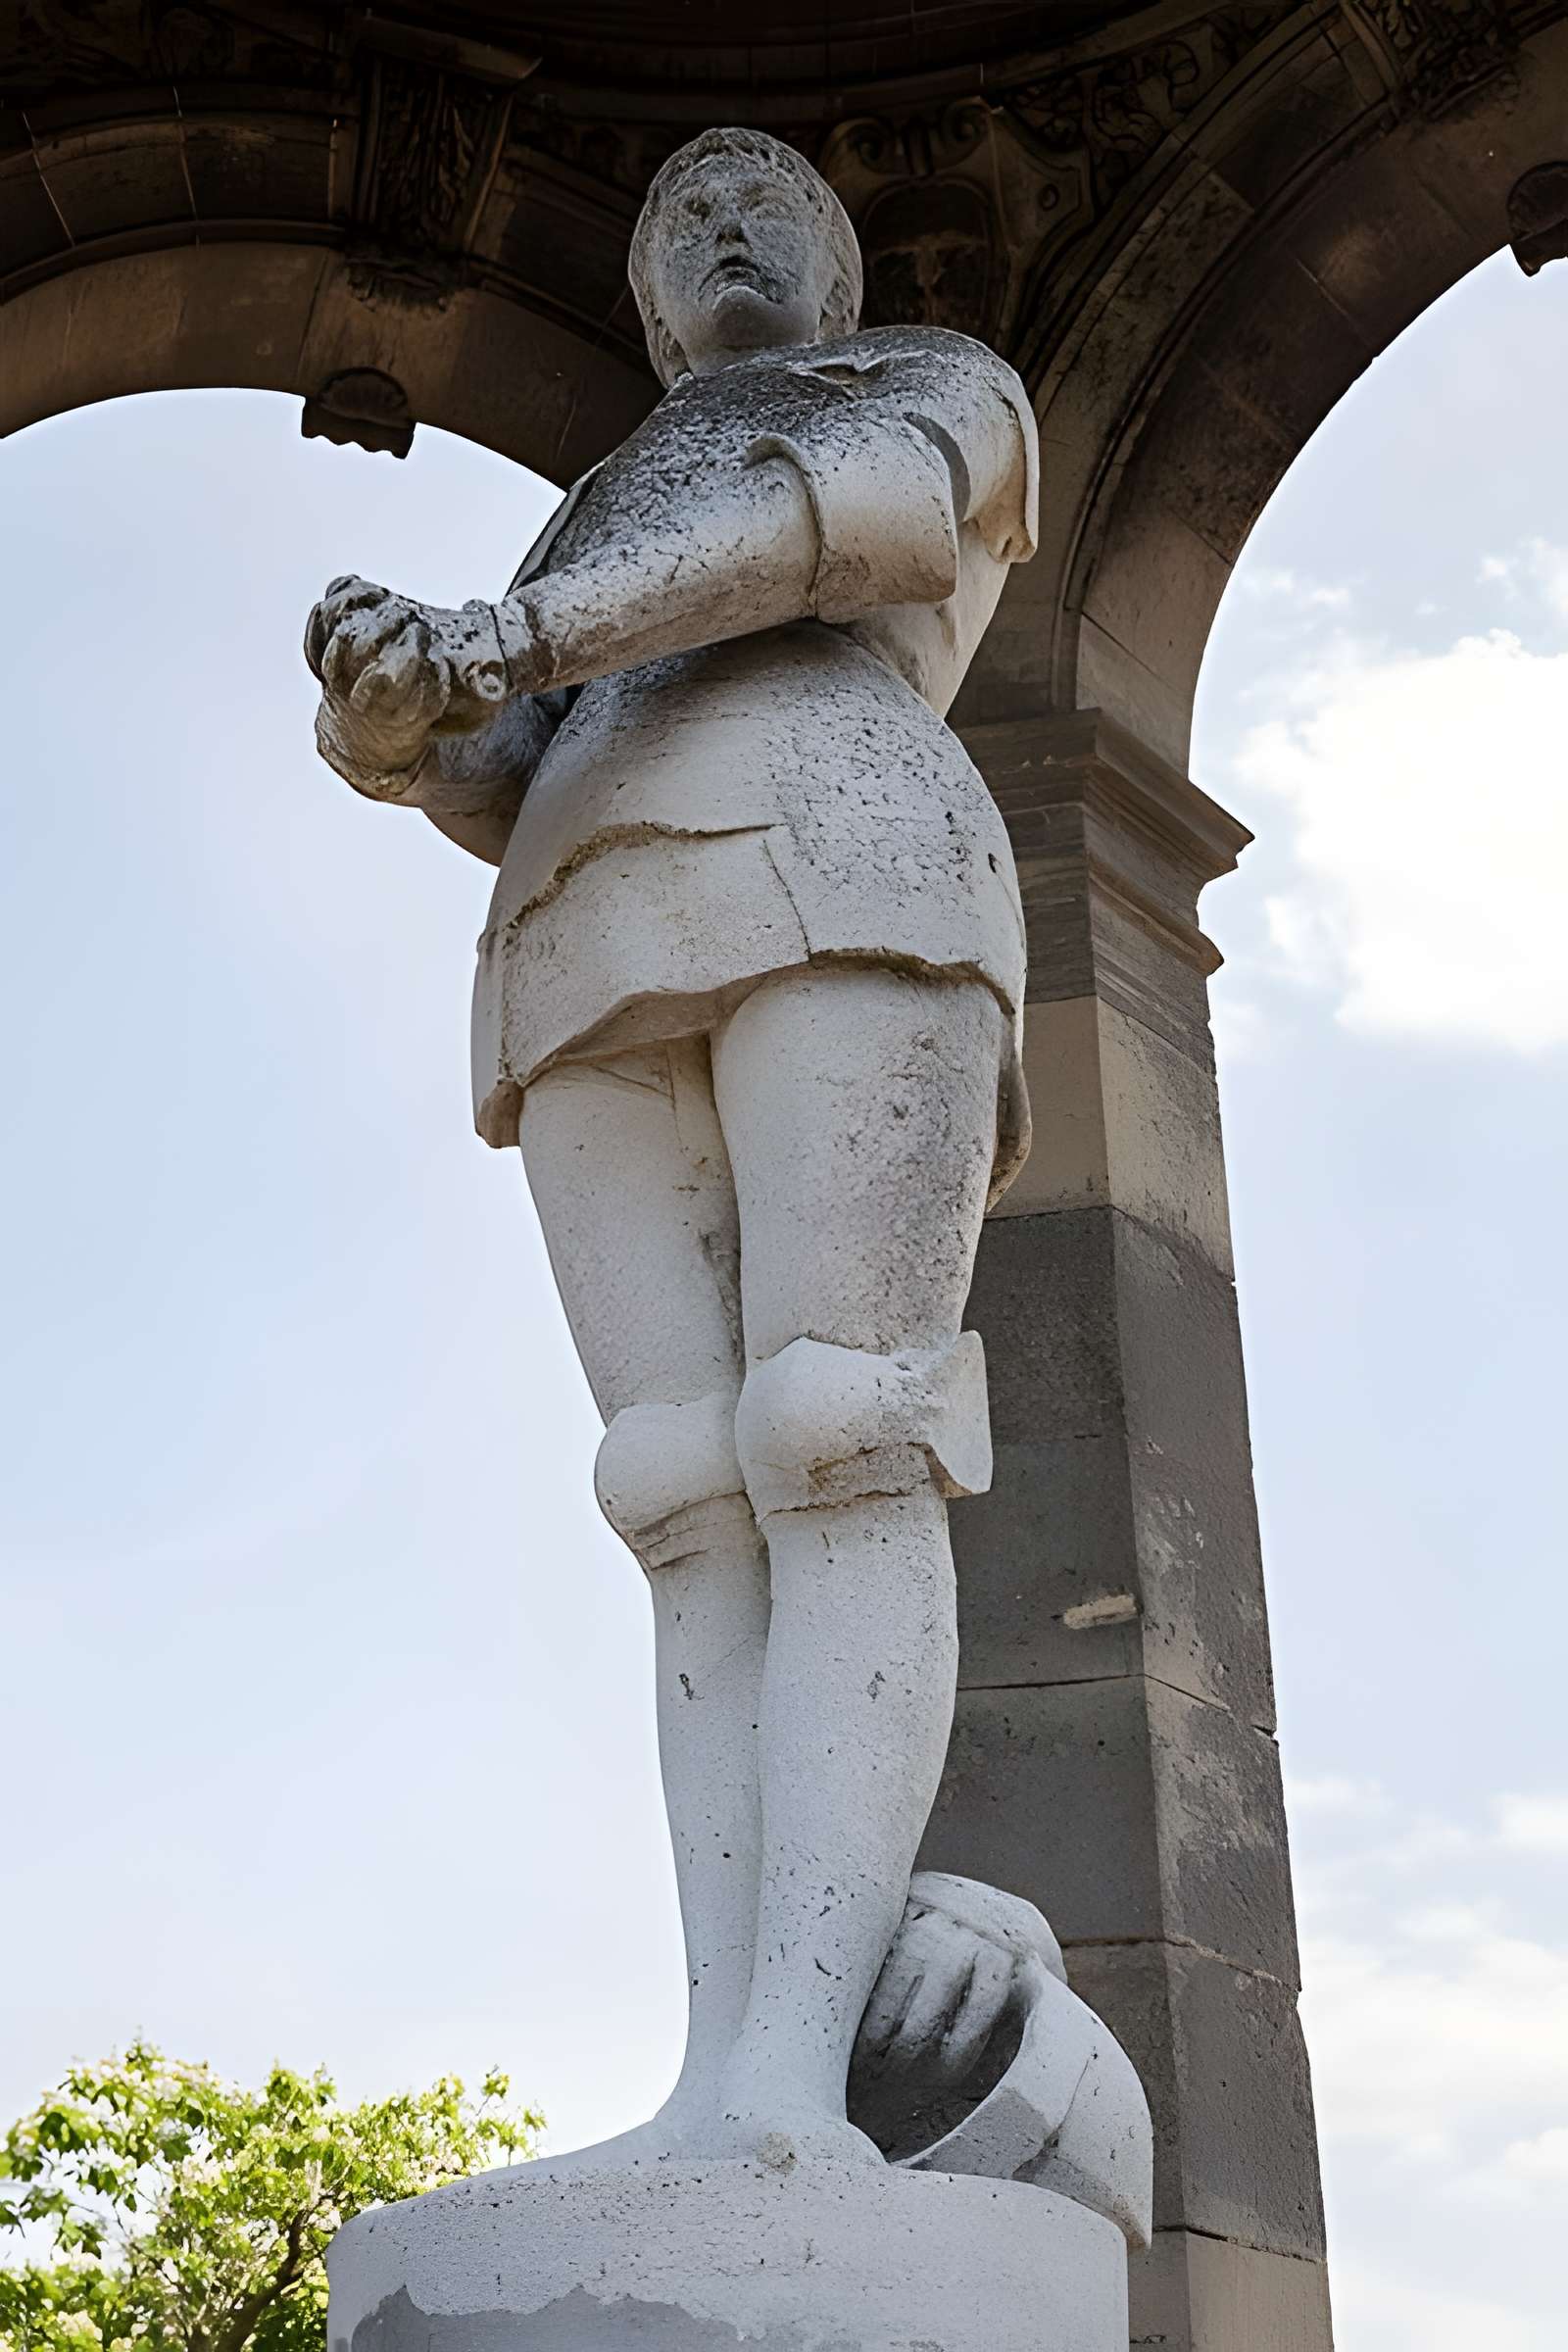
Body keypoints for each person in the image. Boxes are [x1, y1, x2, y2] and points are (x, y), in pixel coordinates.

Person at [306, 125, 1039, 2172]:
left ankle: (795, 2080)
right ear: (637, 300)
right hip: (580, 936)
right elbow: (511, 763)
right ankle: (719, 2078)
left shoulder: (928, 384)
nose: (724, 235)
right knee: (676, 1491)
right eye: (683, 221)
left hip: (848, 859)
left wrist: (514, 641)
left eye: (765, 209)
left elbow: (846, 536)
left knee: (836, 1424)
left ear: (831, 259)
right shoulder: (588, 517)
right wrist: (401, 720)